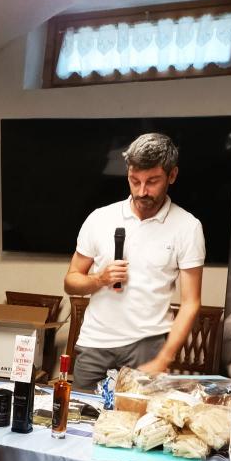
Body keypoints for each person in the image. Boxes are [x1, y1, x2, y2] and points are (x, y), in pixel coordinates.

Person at [64, 132, 205, 391]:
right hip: (95, 342)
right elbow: (71, 281)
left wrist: (164, 358)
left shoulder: (188, 227)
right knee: (81, 413)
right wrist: (99, 279)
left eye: (152, 181)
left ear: (172, 175)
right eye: (134, 180)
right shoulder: (99, 218)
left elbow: (191, 302)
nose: (142, 191)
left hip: (148, 345)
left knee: (137, 416)